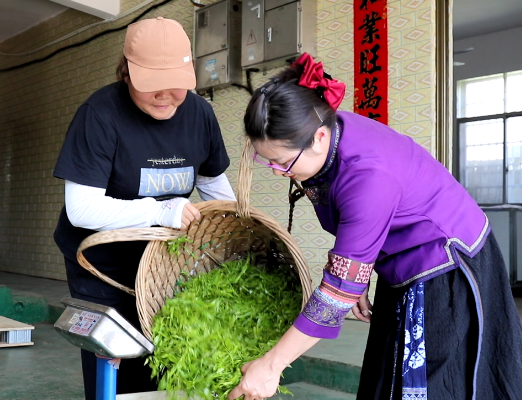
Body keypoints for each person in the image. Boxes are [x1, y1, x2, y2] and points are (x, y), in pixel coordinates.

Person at [227, 53, 522, 400]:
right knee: (387, 372)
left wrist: (271, 365)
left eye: (281, 161)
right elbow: (359, 236)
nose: (278, 171)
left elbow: (337, 292)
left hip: (444, 266)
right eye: (268, 161)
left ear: (318, 138)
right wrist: (360, 271)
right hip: (403, 257)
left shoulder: (368, 175)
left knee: (430, 383)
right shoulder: (328, 131)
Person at [52, 17, 236, 400]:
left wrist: (234, 233)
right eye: (152, 85)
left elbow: (214, 186)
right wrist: (159, 211)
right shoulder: (100, 114)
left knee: (172, 359)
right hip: (101, 265)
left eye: (178, 85)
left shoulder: (200, 114)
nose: (166, 95)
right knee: (117, 367)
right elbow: (81, 209)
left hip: (166, 263)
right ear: (128, 72)